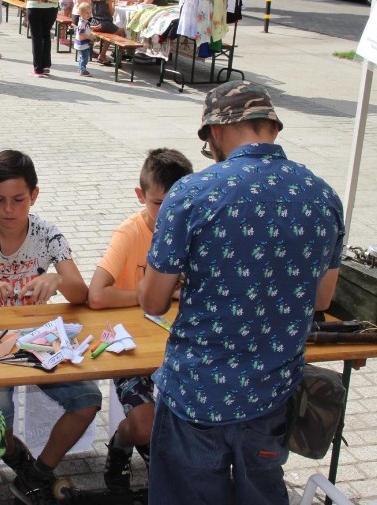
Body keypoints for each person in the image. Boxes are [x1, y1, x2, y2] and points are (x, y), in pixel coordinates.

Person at [138, 81, 345, 505]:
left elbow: (152, 302)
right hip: (270, 393)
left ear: (214, 131)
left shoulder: (193, 194)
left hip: (197, 394)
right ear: (271, 127)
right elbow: (322, 299)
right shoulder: (322, 196)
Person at [0, 149, 99, 505]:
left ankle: (38, 473)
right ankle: (23, 467)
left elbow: (82, 293)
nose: (9, 210)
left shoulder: (47, 234)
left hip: (38, 339)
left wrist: (55, 280)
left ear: (34, 195)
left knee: (89, 401)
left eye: (19, 200)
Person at [86, 149, 193, 495]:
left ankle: (132, 448)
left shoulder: (197, 230)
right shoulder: (130, 233)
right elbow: (97, 295)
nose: (169, 213)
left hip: (179, 347)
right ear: (140, 196)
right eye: (159, 203)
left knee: (184, 426)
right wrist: (151, 294)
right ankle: (124, 445)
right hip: (129, 347)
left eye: (178, 201)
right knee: (147, 429)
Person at [90, 0, 122, 65]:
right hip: (106, 23)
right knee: (121, 32)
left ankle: (103, 54)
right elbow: (111, 13)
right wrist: (113, 4)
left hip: (95, 21)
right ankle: (114, 56)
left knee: (110, 34)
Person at [73, 2, 92, 76]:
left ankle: (81, 68)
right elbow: (81, 34)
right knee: (84, 57)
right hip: (82, 44)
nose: (89, 14)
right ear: (81, 13)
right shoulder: (82, 23)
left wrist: (94, 28)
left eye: (90, 12)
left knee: (83, 56)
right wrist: (90, 37)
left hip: (84, 43)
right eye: (87, 13)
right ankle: (82, 70)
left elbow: (87, 28)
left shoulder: (84, 21)